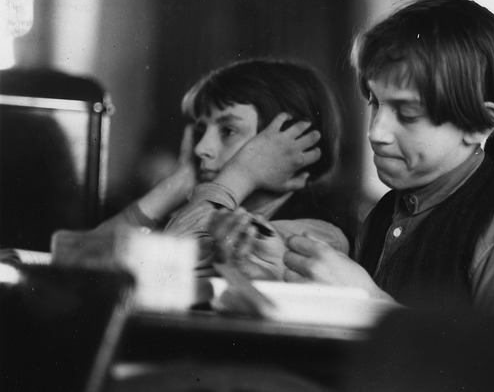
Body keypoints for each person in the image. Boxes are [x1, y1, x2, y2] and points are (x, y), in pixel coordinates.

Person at [248, 0, 494, 320]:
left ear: (478, 124)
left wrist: (367, 304)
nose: (376, 132)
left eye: (406, 113)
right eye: (375, 102)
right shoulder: (386, 214)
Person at [93, 58, 349, 283]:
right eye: (201, 130)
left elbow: (166, 274)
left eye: (228, 131)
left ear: (294, 146)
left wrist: (242, 174)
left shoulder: (318, 234)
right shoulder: (195, 211)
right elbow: (81, 264)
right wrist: (175, 185)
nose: (201, 148)